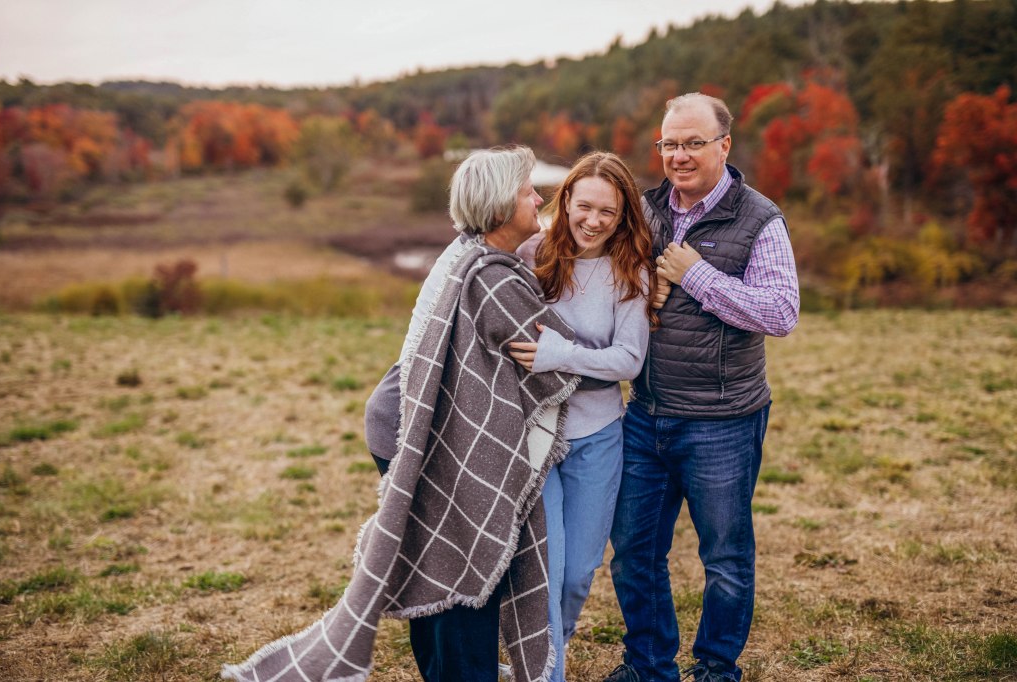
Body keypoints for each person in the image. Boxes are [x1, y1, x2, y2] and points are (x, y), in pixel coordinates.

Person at [222, 146, 581, 682]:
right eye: (529, 191)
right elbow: (561, 354)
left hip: (399, 419)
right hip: (421, 429)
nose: (539, 200)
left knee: (433, 551)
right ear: (501, 205)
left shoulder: (464, 253)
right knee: (466, 556)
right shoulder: (495, 280)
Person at [604, 93, 800, 682]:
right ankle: (647, 665)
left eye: (693, 143)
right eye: (669, 144)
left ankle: (716, 667)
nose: (679, 156)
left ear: (724, 145)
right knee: (634, 552)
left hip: (723, 419)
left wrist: (697, 276)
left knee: (725, 558)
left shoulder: (759, 218)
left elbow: (781, 312)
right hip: (645, 413)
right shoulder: (643, 208)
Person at [507, 151, 654, 682]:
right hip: (536, 431)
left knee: (577, 573)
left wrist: (559, 354)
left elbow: (628, 360)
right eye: (584, 206)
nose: (593, 221)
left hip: (598, 433)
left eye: (608, 212)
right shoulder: (531, 254)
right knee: (544, 570)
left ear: (623, 215)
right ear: (565, 199)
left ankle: (548, 650)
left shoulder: (630, 271)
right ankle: (546, 670)